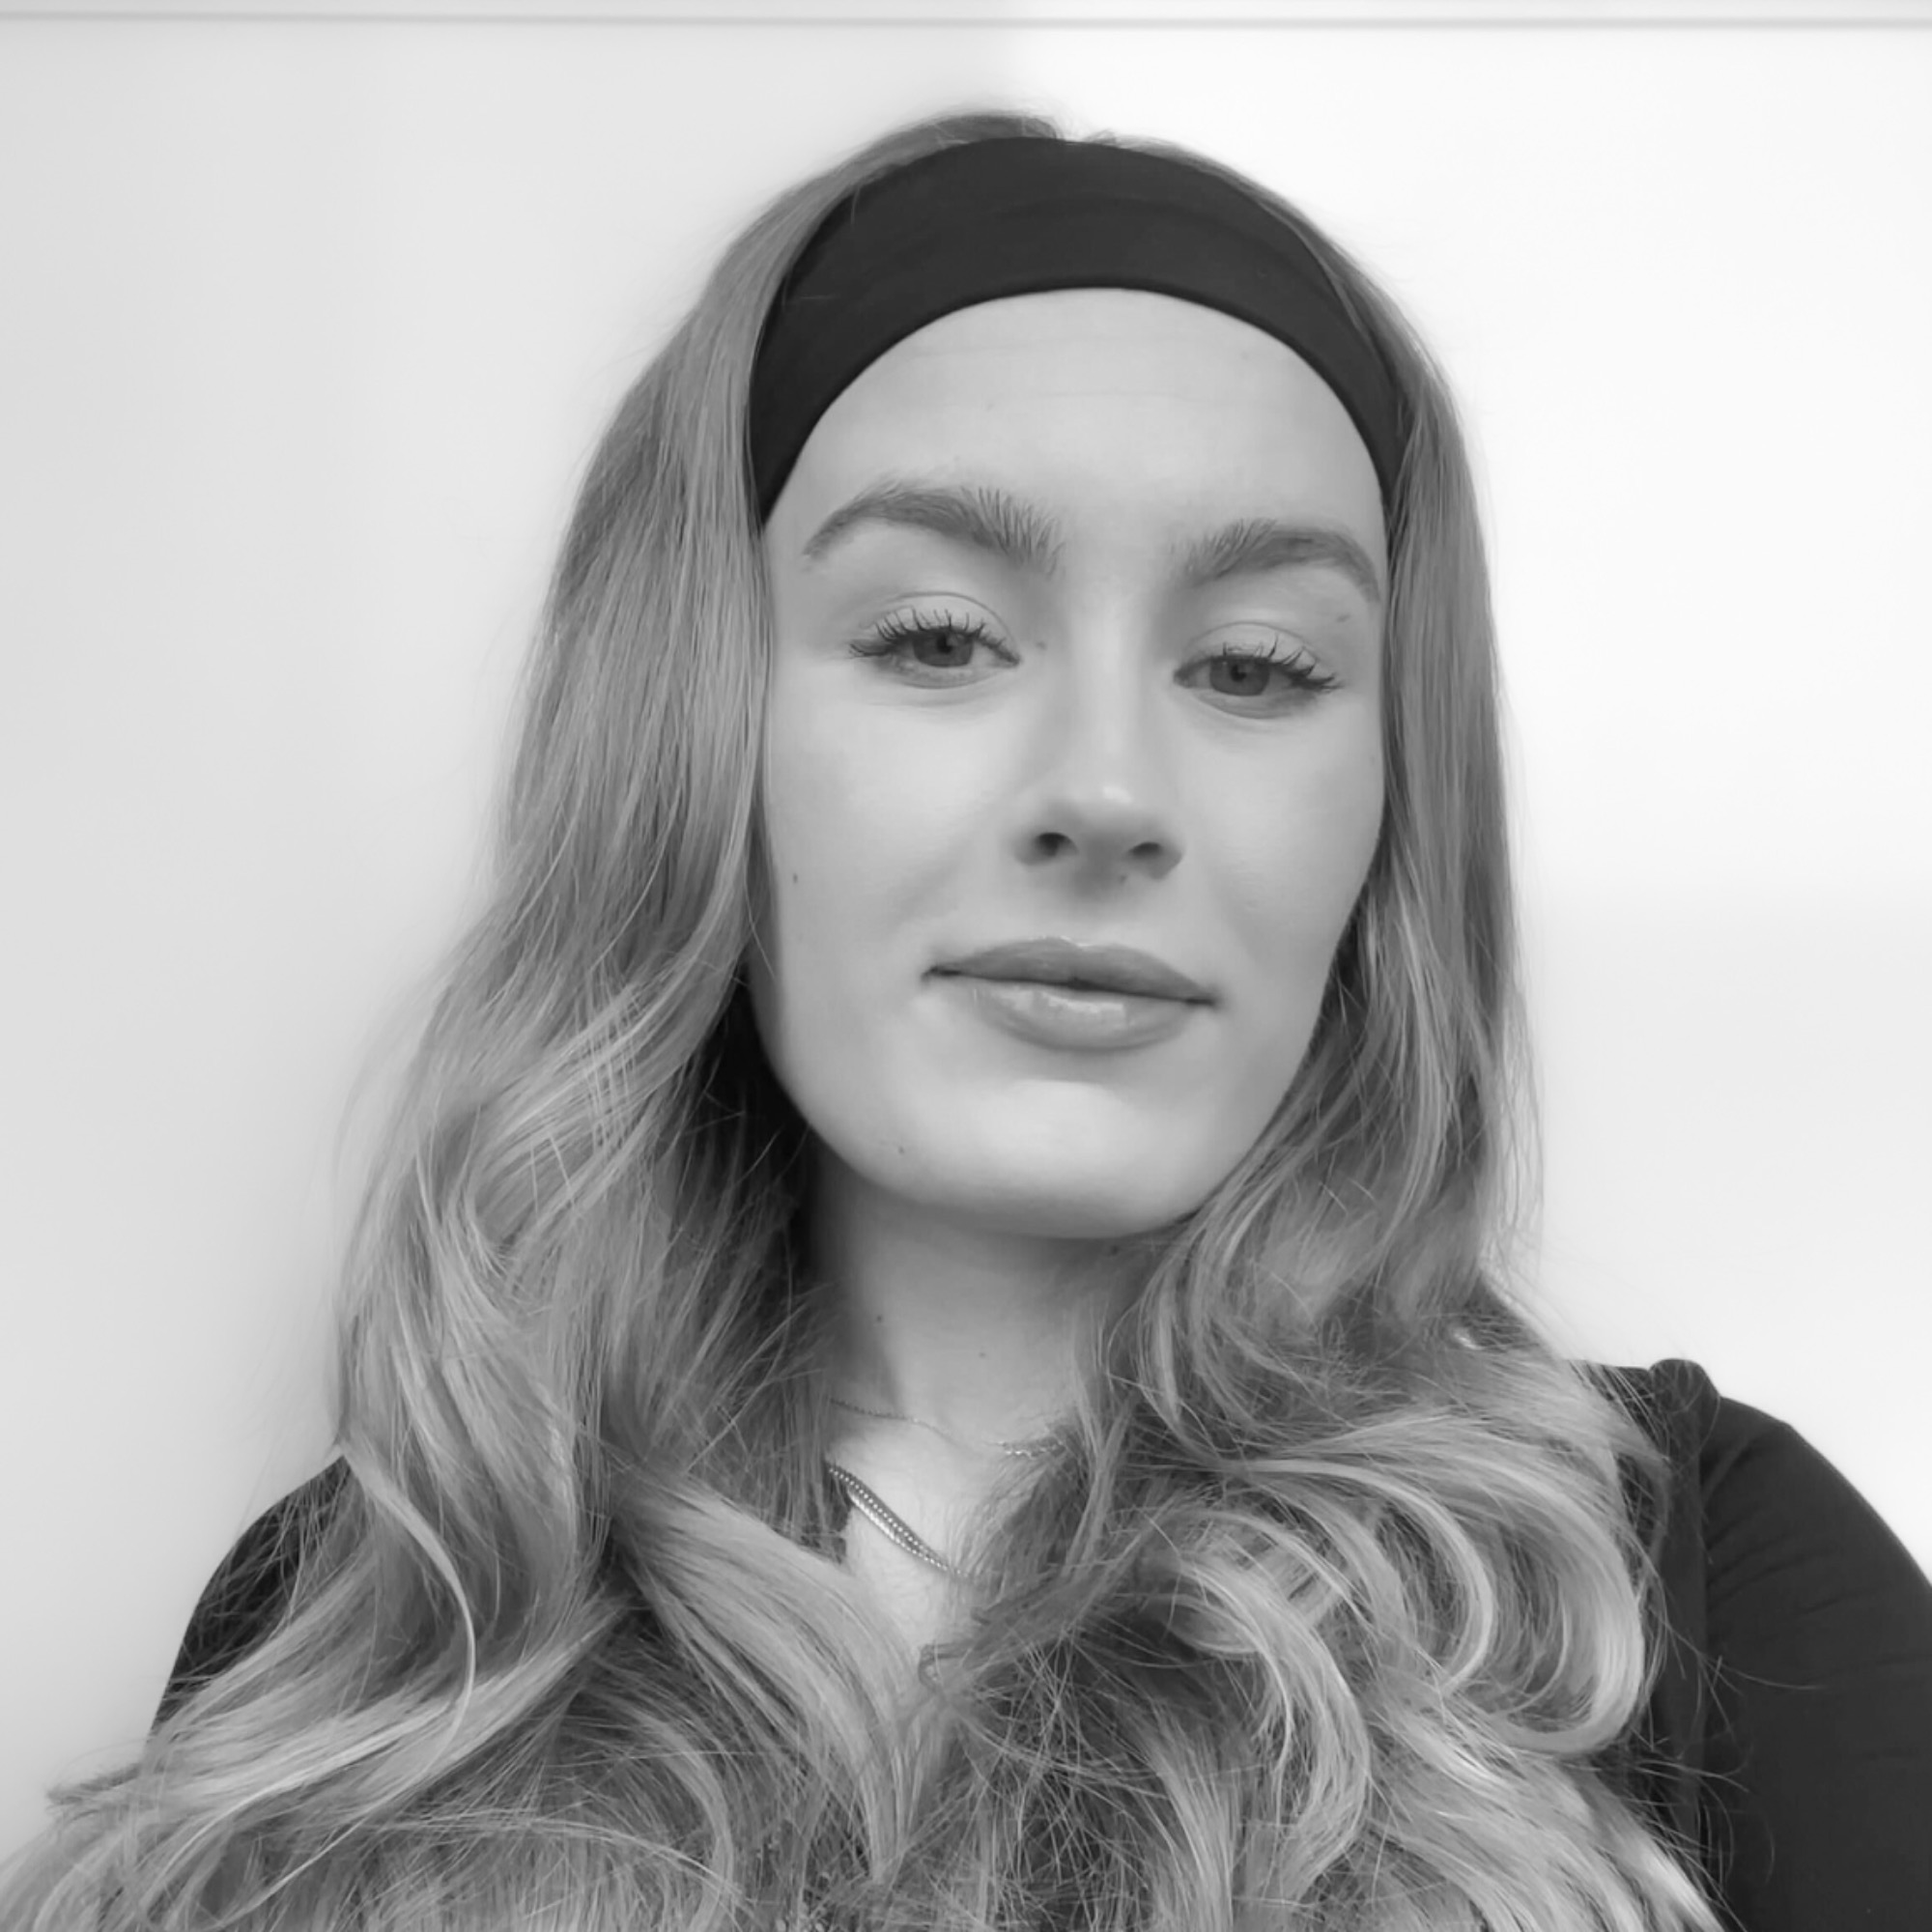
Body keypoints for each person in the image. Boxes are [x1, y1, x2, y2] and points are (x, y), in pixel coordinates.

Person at [6, 104, 1930, 1932]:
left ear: (1387, 813)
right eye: (937, 638)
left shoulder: (1686, 1586)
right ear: (699, 738)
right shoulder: (377, 1633)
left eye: (1257, 667)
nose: (1108, 789)